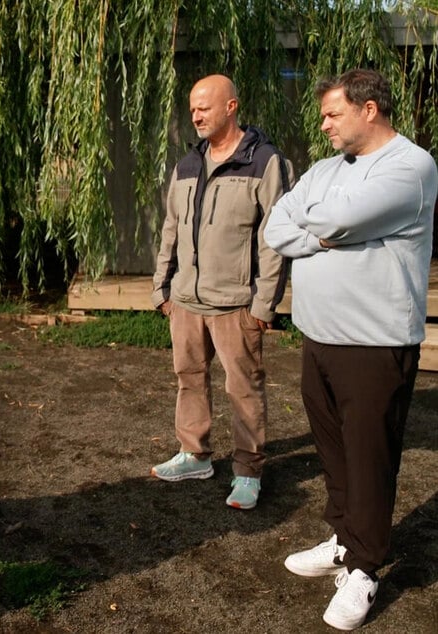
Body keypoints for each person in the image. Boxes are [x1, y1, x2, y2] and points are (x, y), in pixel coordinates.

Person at [264, 69, 437, 631]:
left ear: (369, 110)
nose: (324, 124)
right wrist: (324, 234)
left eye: (333, 114)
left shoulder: (411, 166)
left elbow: (338, 216)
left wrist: (320, 227)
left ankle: (365, 567)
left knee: (370, 456)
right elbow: (277, 225)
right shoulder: (323, 169)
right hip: (319, 335)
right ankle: (343, 537)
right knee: (333, 450)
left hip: (374, 342)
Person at [150, 74, 292, 510]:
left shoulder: (265, 162)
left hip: (236, 305)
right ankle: (194, 454)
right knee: (189, 379)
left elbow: (274, 238)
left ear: (231, 107)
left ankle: (248, 471)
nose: (196, 115)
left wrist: (264, 303)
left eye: (205, 107)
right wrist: (163, 288)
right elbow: (170, 229)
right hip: (186, 301)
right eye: (193, 107)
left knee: (243, 387)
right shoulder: (186, 165)